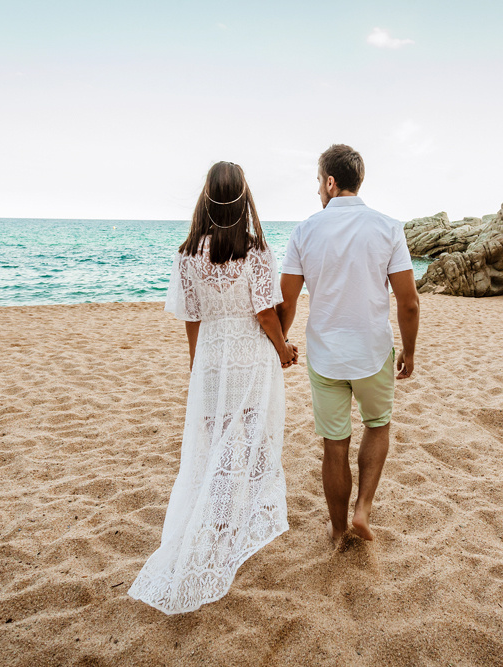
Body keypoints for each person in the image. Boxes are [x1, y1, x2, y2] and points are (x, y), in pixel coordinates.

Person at [128, 161, 298, 614]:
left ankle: (218, 520)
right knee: (250, 436)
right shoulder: (256, 249)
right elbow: (266, 314)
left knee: (217, 436)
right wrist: (283, 349)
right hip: (250, 354)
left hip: (212, 357)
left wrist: (196, 366)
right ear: (244, 199)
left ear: (206, 196)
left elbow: (192, 318)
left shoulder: (187, 254)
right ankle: (236, 519)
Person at [277, 144, 420, 545]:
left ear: (330, 181)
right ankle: (362, 510)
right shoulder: (388, 227)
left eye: (318, 184)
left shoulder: (305, 231)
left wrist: (281, 342)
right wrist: (409, 351)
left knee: (334, 445)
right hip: (374, 351)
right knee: (377, 425)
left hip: (325, 357)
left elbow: (286, 301)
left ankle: (338, 530)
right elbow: (408, 302)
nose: (317, 192)